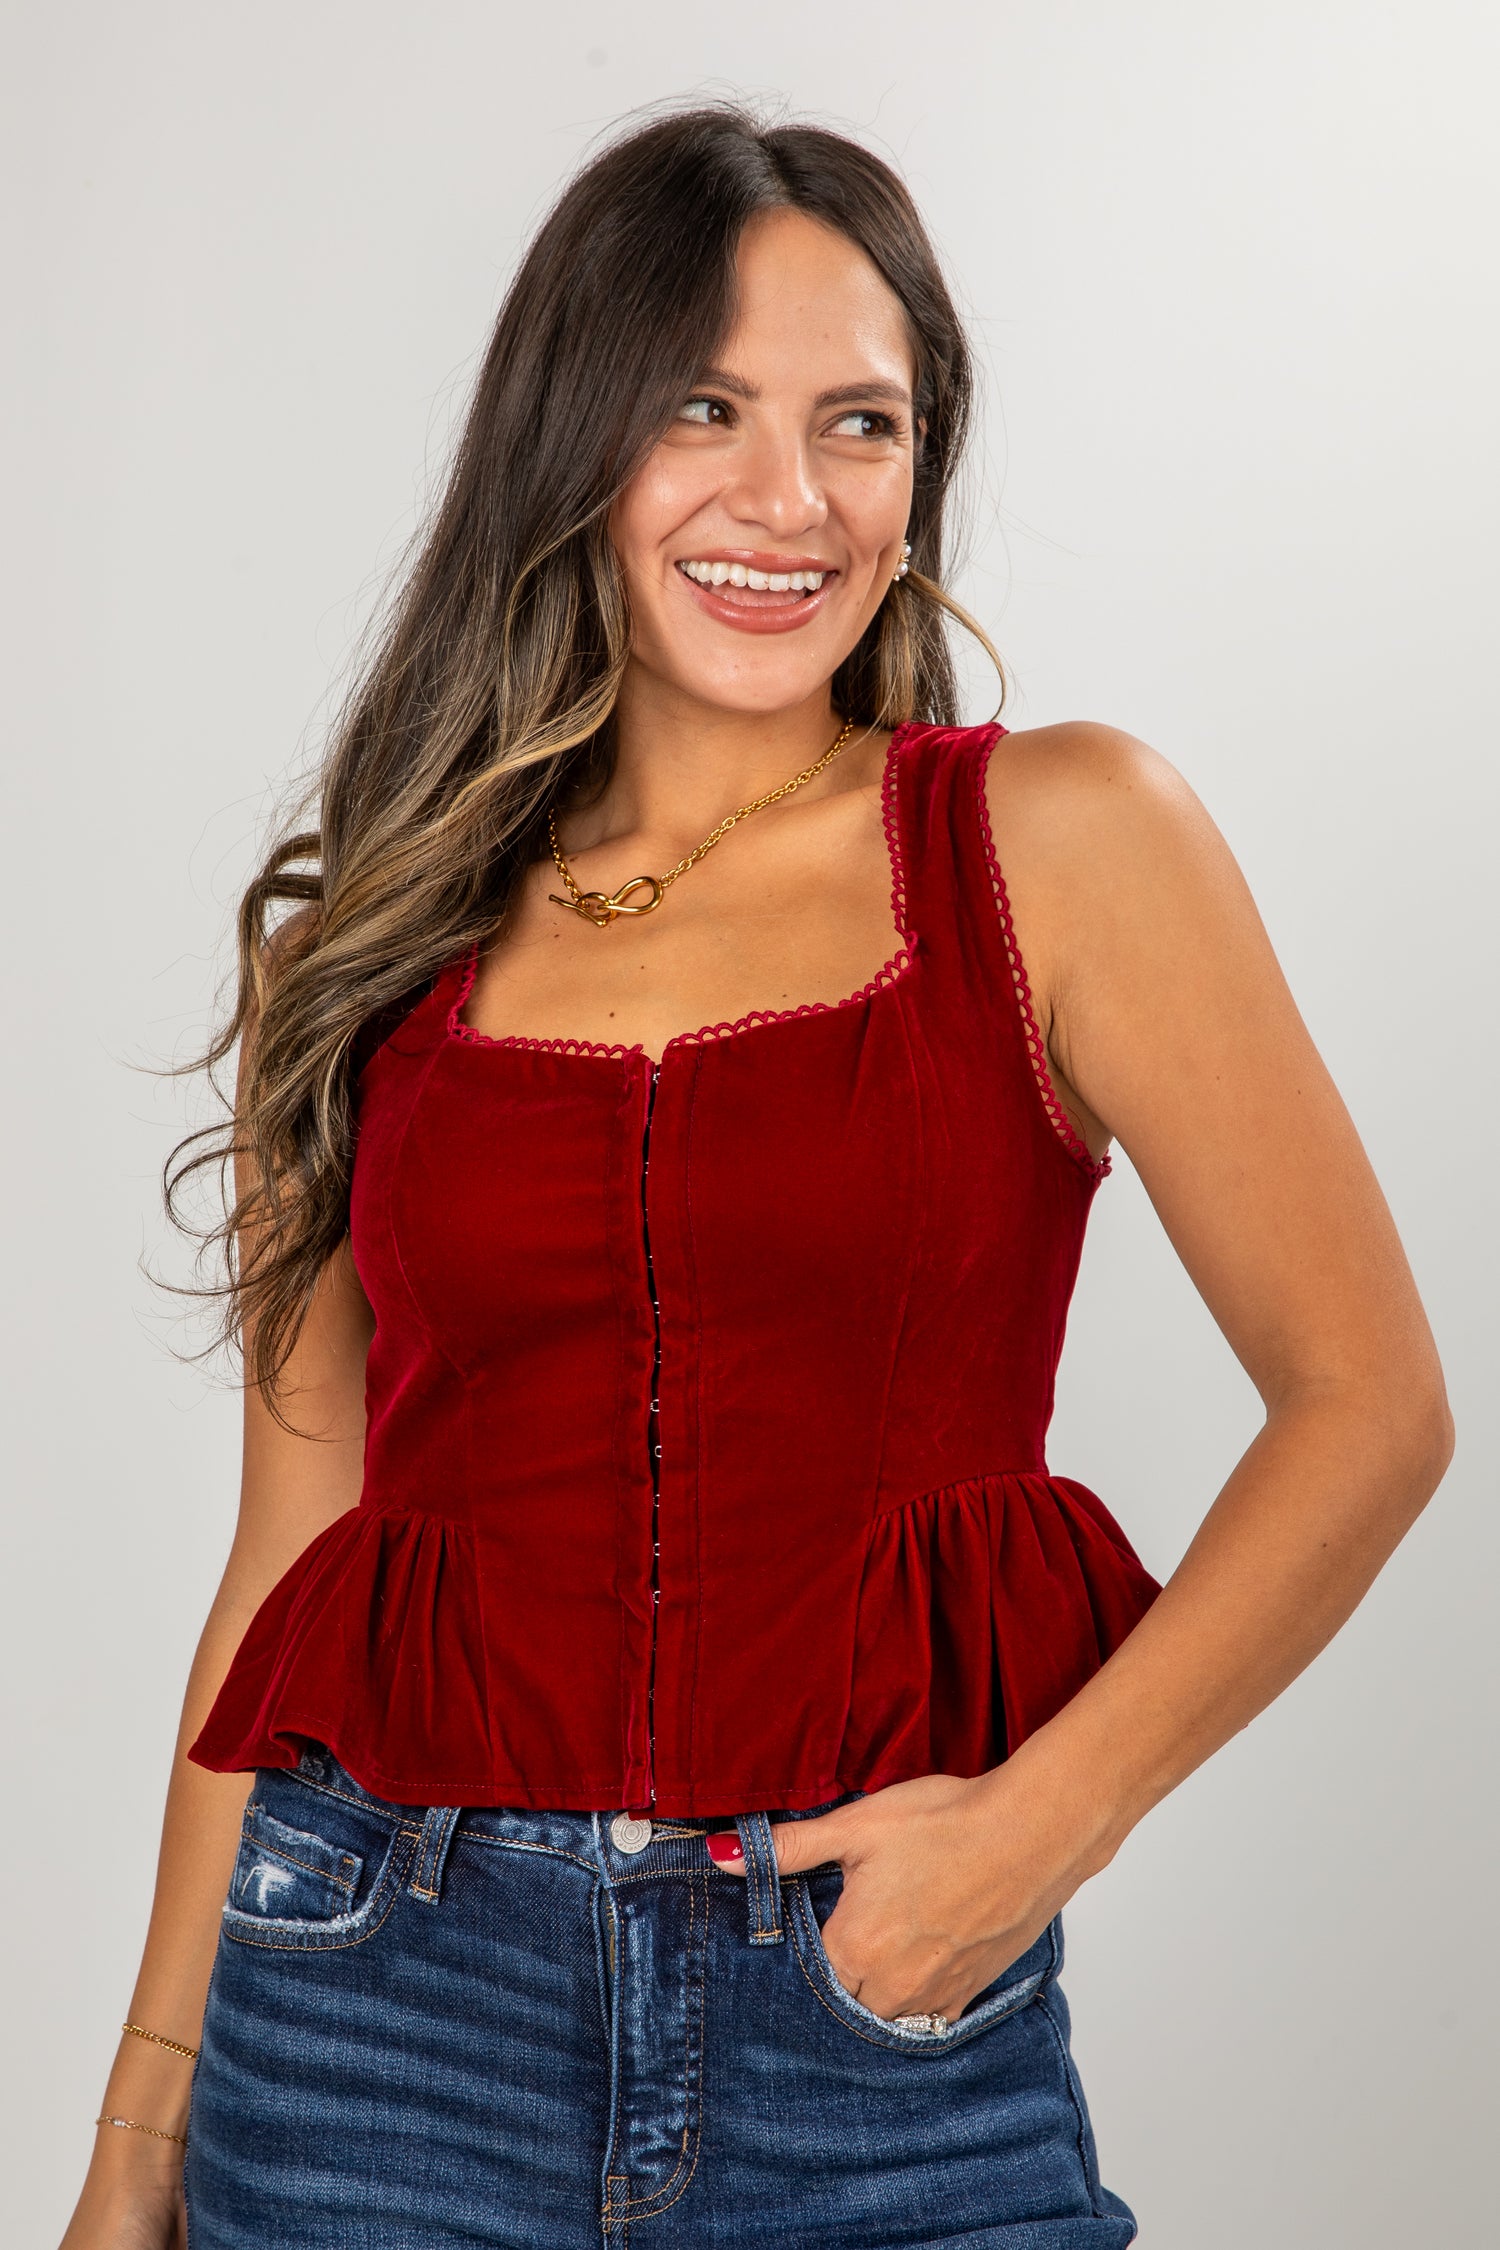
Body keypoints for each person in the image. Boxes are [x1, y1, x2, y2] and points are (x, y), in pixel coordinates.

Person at [61, 103, 1452, 2250]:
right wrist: (139, 2127)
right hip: (369, 2022)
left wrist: (1038, 1829)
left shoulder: (1060, 844)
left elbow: (1371, 1404)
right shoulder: (372, 947)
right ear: (576, 441)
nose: (785, 499)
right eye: (702, 407)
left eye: (861, 423)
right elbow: (289, 1559)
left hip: (882, 2027)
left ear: (921, 473)